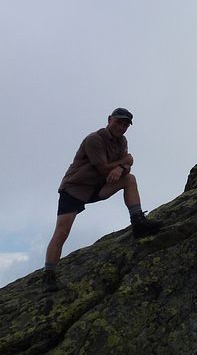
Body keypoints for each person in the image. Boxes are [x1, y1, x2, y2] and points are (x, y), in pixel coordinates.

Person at [42, 107, 162, 292]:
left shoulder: (122, 141)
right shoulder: (94, 139)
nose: (121, 127)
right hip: (74, 188)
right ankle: (48, 275)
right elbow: (104, 168)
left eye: (125, 125)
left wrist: (122, 167)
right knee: (62, 231)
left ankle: (138, 222)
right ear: (109, 119)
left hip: (97, 187)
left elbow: (124, 167)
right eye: (118, 122)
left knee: (129, 179)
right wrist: (125, 161)